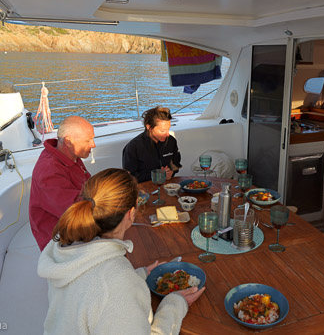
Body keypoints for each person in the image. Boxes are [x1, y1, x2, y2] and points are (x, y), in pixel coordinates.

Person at [38, 168, 205, 334]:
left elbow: (89, 290)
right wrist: (175, 304)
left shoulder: (66, 247)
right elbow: (109, 289)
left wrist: (139, 275)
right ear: (131, 214)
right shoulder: (116, 283)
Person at [29, 116, 96, 251]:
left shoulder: (70, 155)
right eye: (88, 140)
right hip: (61, 239)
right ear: (68, 141)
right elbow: (75, 213)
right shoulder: (50, 171)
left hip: (78, 219)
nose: (93, 145)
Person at [122, 106, 182, 183]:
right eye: (163, 131)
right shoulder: (133, 147)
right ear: (149, 127)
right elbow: (129, 177)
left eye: (168, 129)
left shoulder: (171, 141)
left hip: (167, 185)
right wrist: (156, 175)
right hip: (143, 188)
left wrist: (171, 172)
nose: (167, 134)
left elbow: (176, 164)